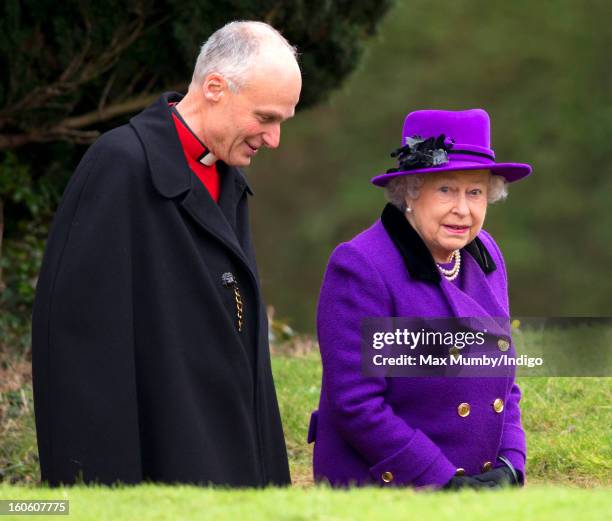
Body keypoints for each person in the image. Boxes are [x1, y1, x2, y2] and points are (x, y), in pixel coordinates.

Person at [32, 21, 301, 487]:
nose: (273, 139)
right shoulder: (119, 166)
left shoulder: (227, 172)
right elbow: (82, 356)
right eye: (266, 117)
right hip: (163, 471)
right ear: (215, 88)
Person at [308, 109, 530, 489]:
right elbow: (358, 405)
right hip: (388, 490)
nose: (463, 209)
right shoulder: (361, 266)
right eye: (446, 189)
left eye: (475, 192)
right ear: (410, 191)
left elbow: (503, 382)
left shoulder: (486, 254)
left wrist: (510, 464)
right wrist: (441, 482)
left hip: (478, 486)